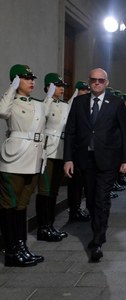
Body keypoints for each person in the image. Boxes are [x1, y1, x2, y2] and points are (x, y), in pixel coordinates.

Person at [63, 68, 126, 262]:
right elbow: (70, 132)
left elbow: (125, 133)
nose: (97, 83)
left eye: (101, 80)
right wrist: (68, 159)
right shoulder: (78, 103)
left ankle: (97, 240)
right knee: (92, 199)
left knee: (102, 198)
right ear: (89, 81)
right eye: (93, 80)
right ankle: (98, 229)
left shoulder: (116, 103)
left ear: (107, 83)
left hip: (108, 160)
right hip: (86, 160)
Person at [0, 64, 47, 267]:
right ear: (16, 80)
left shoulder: (38, 104)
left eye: (32, 78)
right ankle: (11, 251)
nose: (31, 82)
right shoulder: (10, 101)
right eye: (26, 78)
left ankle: (21, 246)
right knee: (8, 205)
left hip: (34, 158)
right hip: (14, 159)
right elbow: (2, 112)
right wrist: (12, 88)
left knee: (22, 205)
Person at [36, 73, 72, 242]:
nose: (61, 88)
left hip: (60, 150)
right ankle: (43, 227)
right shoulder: (44, 104)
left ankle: (50, 225)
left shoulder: (64, 105)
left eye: (62, 85)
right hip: (47, 151)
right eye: (57, 85)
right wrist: (49, 96)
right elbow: (41, 117)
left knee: (54, 190)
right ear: (48, 87)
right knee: (45, 190)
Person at [66, 81, 91, 222]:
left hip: (83, 153)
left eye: (86, 90)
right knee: (74, 185)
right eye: (82, 90)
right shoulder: (72, 104)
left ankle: (78, 209)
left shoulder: (85, 106)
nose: (85, 92)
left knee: (81, 184)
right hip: (74, 152)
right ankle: (73, 210)